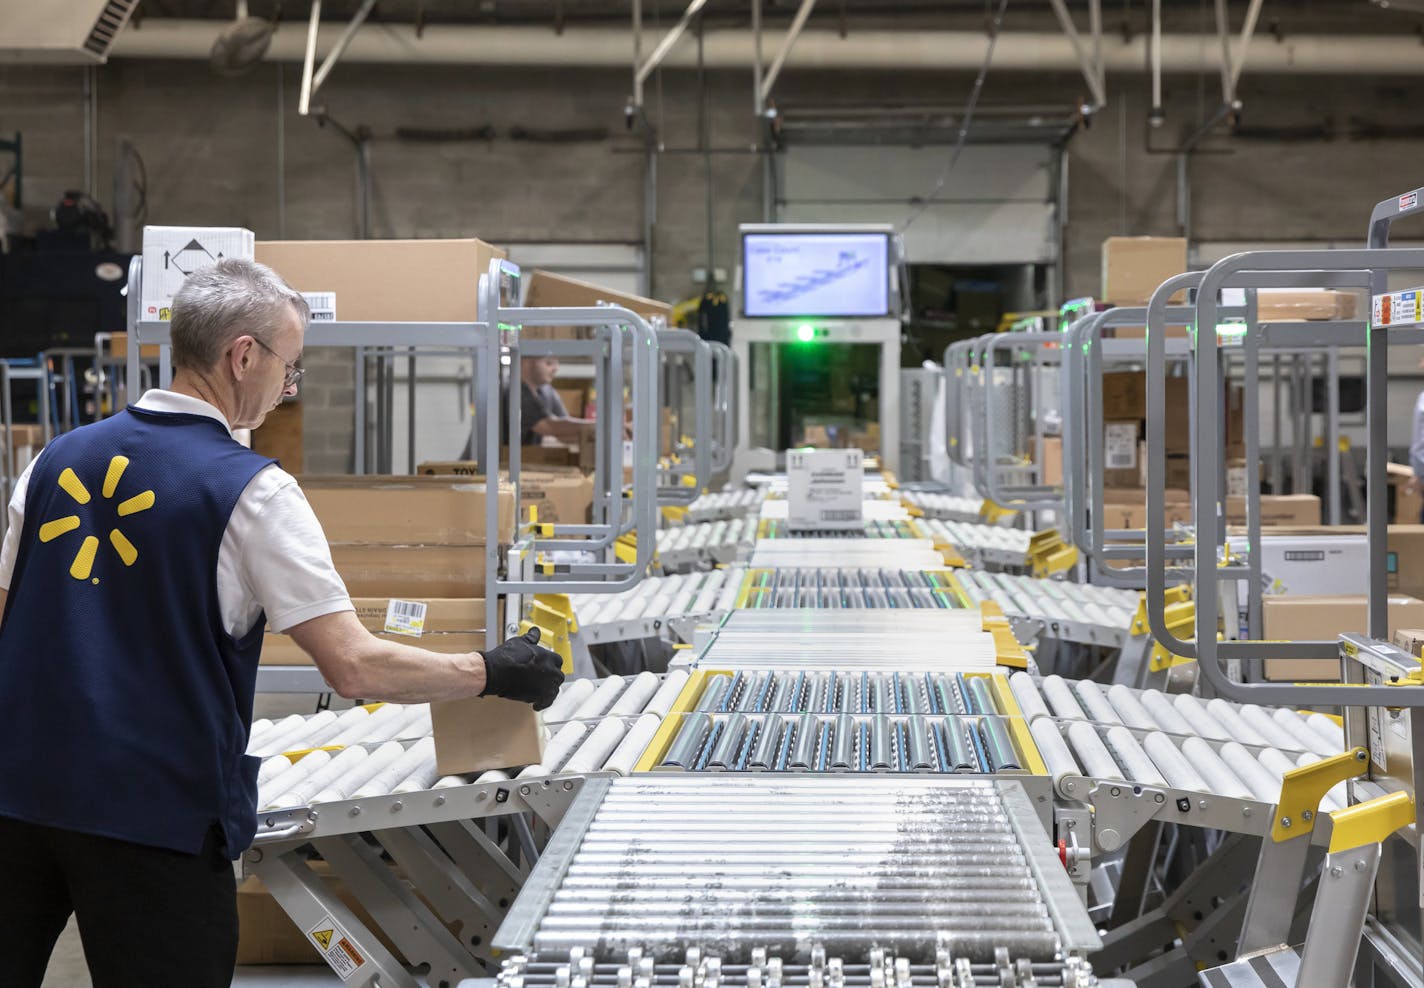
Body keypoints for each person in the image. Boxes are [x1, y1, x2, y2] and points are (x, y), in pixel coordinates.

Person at [0, 258, 565, 987]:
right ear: (243, 356)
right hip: (154, 819)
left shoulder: (54, 461)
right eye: (290, 368)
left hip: (17, 799)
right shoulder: (253, 492)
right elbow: (352, 666)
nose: (288, 388)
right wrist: (490, 670)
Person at [514, 354, 597, 446]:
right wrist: (597, 427)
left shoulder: (547, 391)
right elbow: (551, 427)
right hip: (517, 457)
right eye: (548, 363)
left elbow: (565, 430)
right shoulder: (516, 392)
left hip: (534, 455)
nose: (556, 368)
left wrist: (592, 433)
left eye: (557, 363)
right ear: (528, 362)